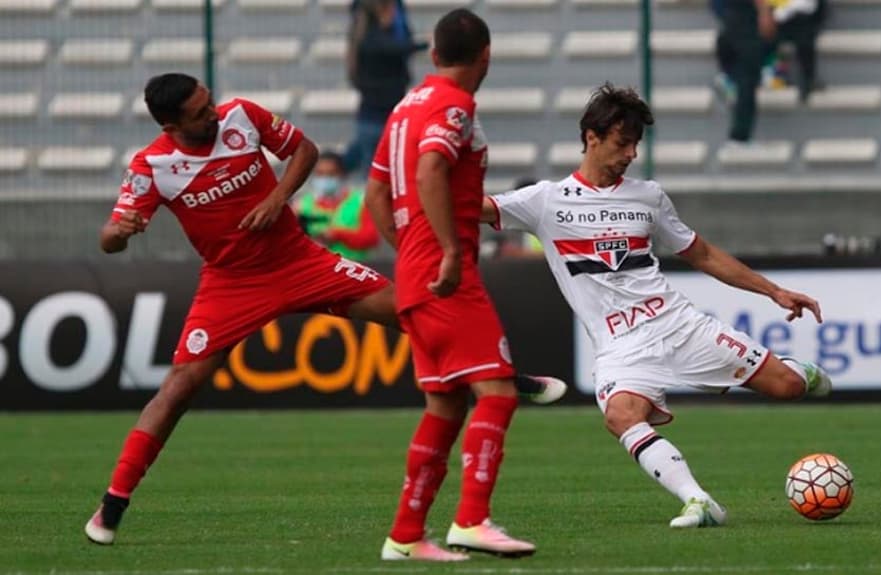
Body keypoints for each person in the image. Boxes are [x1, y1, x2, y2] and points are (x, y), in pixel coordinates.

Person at [82, 72, 566, 547]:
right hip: (231, 284)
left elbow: (305, 150)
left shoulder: (242, 116)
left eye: (209, 102)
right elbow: (110, 236)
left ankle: (506, 378)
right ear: (170, 127)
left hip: (300, 261)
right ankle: (113, 503)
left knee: (413, 308)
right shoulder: (152, 166)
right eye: (198, 113)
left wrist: (277, 198)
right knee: (177, 389)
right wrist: (118, 234)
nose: (212, 113)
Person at [481, 83, 833, 529]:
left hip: (677, 324)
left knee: (787, 388)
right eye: (622, 142)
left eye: (635, 144)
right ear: (592, 137)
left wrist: (774, 291)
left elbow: (701, 253)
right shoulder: (546, 201)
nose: (630, 154)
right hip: (621, 347)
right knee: (620, 416)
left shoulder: (647, 196)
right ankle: (700, 502)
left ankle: (799, 371)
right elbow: (476, 208)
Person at [365, 8, 537, 561]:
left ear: (434, 55)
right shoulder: (454, 105)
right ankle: (472, 519)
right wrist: (445, 250)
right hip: (446, 274)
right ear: (486, 56)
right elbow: (430, 171)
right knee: (499, 394)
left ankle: (406, 535)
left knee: (445, 407)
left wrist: (412, 251)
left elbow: (375, 195)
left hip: (414, 273)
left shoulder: (402, 108)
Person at [344, 0, 428, 177]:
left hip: (378, 116)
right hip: (378, 118)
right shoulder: (372, 39)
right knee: (376, 174)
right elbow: (395, 48)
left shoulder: (368, 36)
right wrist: (426, 43)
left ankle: (340, 164)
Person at [294, 150, 380, 261]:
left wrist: (337, 235)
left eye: (331, 174)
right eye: (320, 174)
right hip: (316, 269)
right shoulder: (301, 205)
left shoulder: (359, 202)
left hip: (354, 268)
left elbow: (370, 238)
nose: (325, 179)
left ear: (342, 175)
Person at [714, 0, 776, 143]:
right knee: (747, 77)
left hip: (736, 18)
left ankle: (729, 76)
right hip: (746, 19)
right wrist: (764, 11)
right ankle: (740, 136)